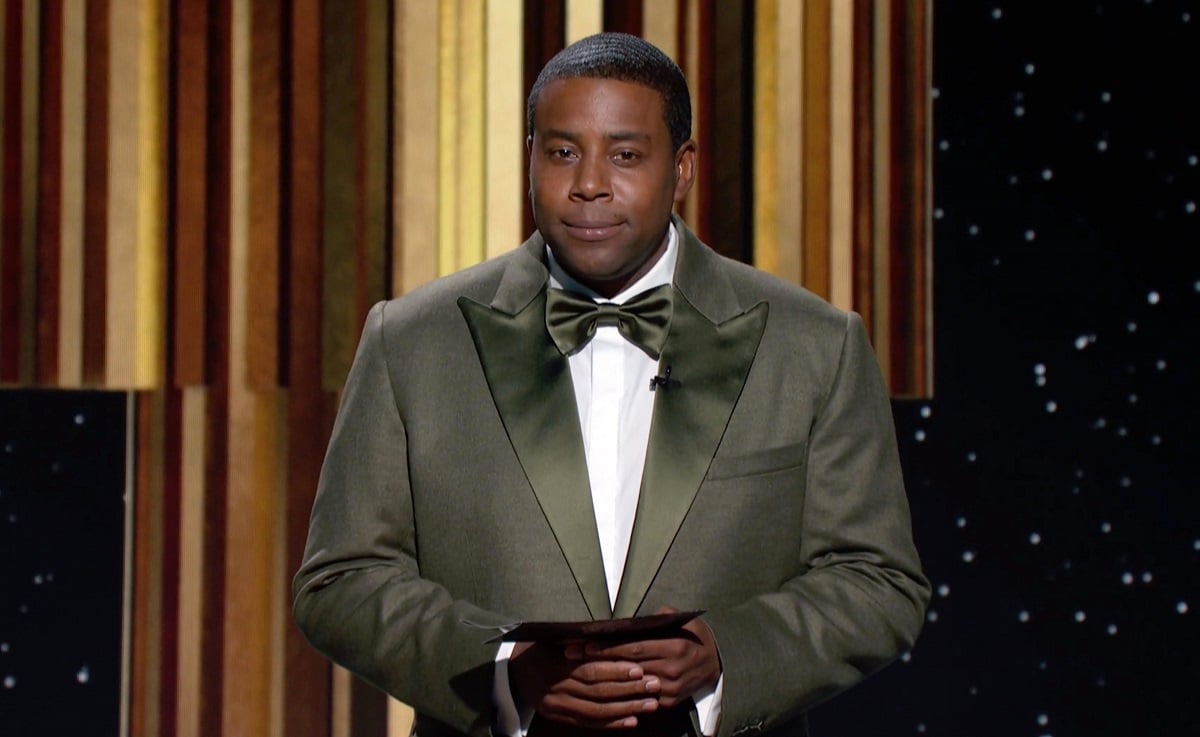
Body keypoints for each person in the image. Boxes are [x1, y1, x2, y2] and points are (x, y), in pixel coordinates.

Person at [293, 32, 929, 737]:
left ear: (682, 169)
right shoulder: (409, 342)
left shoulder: (815, 346)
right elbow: (339, 581)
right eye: (563, 152)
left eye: (625, 155)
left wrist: (726, 655)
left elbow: (879, 581)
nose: (589, 182)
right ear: (529, 157)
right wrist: (505, 665)